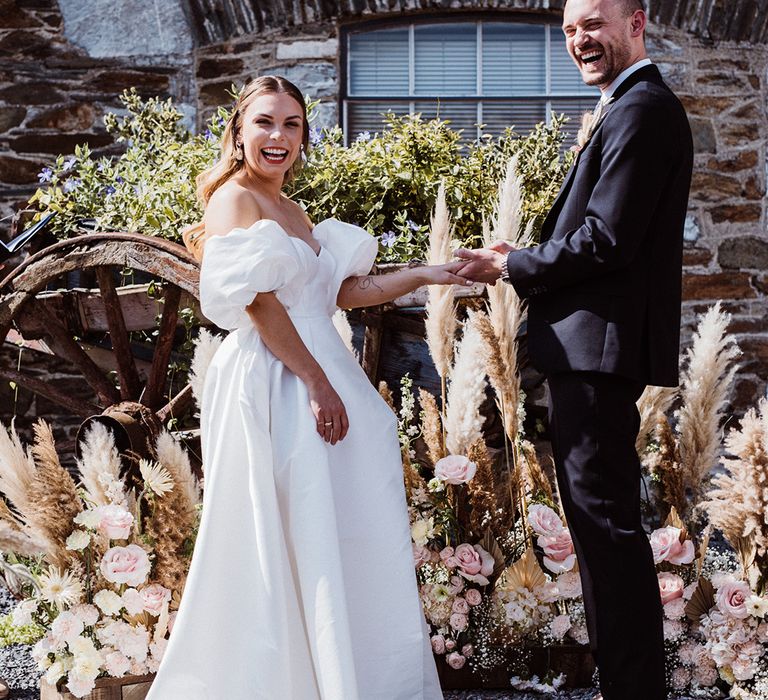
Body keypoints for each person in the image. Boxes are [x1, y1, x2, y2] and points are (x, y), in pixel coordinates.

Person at [146, 76, 465, 699]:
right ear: (238, 131)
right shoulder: (234, 201)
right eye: (265, 122)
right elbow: (261, 302)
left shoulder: (294, 209)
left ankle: (347, 676)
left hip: (321, 362)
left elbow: (340, 293)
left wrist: (425, 273)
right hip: (278, 374)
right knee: (280, 525)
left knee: (340, 520)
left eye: (292, 125)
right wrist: (317, 382)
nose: (278, 137)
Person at [455, 1, 693, 699]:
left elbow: (606, 238)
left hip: (597, 355)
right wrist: (518, 256)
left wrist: (515, 264)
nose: (580, 40)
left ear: (636, 22)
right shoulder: (625, 106)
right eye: (570, 30)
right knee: (600, 536)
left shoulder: (642, 109)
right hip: (588, 354)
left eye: (594, 23)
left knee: (609, 537)